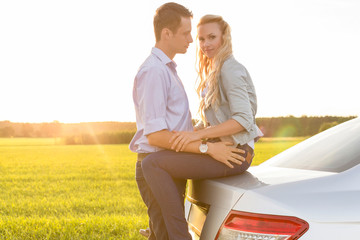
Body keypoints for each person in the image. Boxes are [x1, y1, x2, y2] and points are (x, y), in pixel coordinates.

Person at [141, 14, 263, 239]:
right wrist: (194, 132)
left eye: (212, 37)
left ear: (224, 37)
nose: (205, 44)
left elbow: (244, 119)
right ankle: (162, 231)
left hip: (236, 153)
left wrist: (199, 137)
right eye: (200, 38)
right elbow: (215, 120)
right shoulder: (215, 69)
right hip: (224, 149)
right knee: (154, 163)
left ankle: (177, 235)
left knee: (152, 164)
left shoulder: (230, 69)